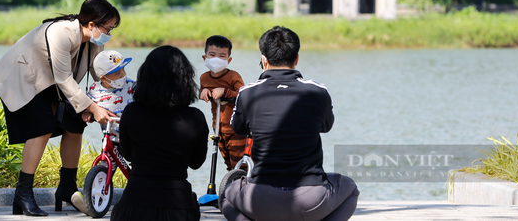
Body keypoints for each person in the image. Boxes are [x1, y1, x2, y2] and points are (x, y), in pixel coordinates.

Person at [0, 0, 120, 217]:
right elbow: (63, 77)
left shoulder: (96, 41)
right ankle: (23, 194)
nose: (109, 33)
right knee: (42, 128)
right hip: (23, 78)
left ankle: (67, 188)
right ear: (90, 24)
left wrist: (112, 98)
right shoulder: (62, 32)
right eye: (108, 28)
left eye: (112, 29)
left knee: (75, 123)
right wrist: (92, 108)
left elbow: (99, 77)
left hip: (50, 83)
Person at [220, 26, 360, 221]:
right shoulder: (318, 91)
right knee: (351, 189)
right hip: (311, 199)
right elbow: (326, 126)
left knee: (226, 194)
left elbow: (238, 128)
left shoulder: (247, 93)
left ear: (264, 60)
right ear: (296, 59)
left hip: (260, 199)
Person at [110, 46, 208, 221]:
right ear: (185, 79)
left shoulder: (131, 112)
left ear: (145, 77)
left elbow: (128, 155)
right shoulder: (195, 118)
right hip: (179, 207)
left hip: (134, 205)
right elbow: (196, 163)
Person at [199, 35, 247, 170]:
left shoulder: (233, 76)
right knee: (227, 162)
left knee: (239, 164)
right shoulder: (204, 78)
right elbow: (201, 91)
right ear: (205, 57)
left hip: (235, 128)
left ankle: (242, 186)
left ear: (228, 59)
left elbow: (244, 95)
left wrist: (225, 92)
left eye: (222, 56)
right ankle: (231, 186)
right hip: (218, 129)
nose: (216, 59)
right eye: (212, 55)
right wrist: (204, 92)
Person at [83, 50, 135, 143]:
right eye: (118, 73)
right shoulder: (95, 90)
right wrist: (88, 112)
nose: (123, 74)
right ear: (103, 78)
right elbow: (87, 102)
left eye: (123, 70)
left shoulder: (131, 85)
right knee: (108, 155)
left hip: (135, 135)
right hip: (111, 138)